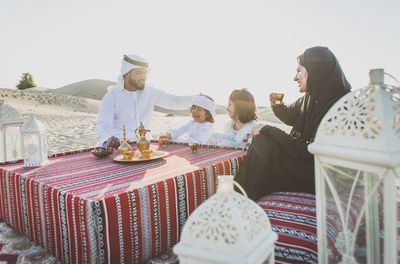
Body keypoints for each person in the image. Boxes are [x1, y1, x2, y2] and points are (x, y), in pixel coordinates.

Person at [236, 46, 351, 201]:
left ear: (316, 70)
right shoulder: (310, 98)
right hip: (304, 166)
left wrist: (268, 130)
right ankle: (242, 196)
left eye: (299, 70)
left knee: (264, 141)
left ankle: (241, 198)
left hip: (321, 176)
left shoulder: (342, 106)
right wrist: (277, 105)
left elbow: (312, 152)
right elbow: (290, 116)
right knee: (264, 144)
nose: (295, 77)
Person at [96, 54, 193, 148]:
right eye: (139, 73)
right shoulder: (112, 95)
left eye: (145, 73)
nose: (143, 77)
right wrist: (107, 139)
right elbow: (103, 123)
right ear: (126, 73)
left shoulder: (150, 91)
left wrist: (198, 98)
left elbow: (175, 101)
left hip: (145, 147)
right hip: (120, 147)